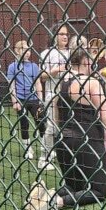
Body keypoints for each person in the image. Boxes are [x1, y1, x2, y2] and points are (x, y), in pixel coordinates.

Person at [26, 47, 106, 210]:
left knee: (75, 186)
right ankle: (56, 201)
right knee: (99, 191)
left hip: (63, 141)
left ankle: (43, 196)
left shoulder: (62, 81)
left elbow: (56, 115)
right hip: (86, 141)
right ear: (85, 61)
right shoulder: (91, 82)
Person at [6, 40, 45, 162]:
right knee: (24, 125)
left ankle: (45, 148)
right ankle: (28, 149)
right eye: (24, 50)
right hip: (21, 100)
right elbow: (11, 85)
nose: (28, 52)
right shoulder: (12, 66)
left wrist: (41, 100)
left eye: (29, 50)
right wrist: (15, 102)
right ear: (17, 51)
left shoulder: (34, 66)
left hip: (34, 99)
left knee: (40, 123)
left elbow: (38, 83)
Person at [39, 25, 70, 170]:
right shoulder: (47, 53)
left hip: (69, 95)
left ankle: (63, 154)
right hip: (53, 94)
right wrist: (54, 71)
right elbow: (42, 77)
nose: (65, 37)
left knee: (68, 127)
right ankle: (44, 157)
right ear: (54, 36)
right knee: (52, 127)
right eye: (61, 34)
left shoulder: (72, 53)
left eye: (67, 34)